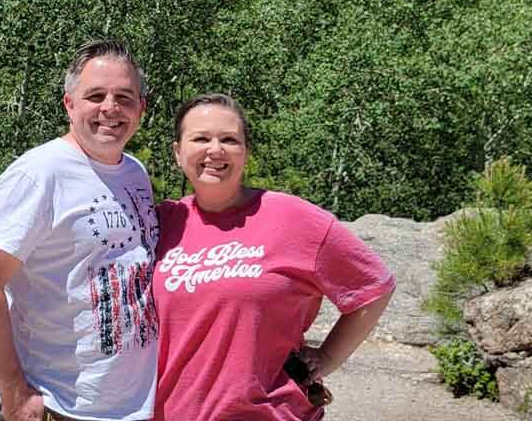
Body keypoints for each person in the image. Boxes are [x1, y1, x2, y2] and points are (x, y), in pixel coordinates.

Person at [153, 94, 395, 421]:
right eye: (200, 138)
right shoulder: (160, 222)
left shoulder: (294, 218)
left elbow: (374, 286)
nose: (215, 149)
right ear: (178, 152)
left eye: (229, 139)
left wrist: (327, 357)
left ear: (246, 152)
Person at [0, 40, 159, 421]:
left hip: (133, 406)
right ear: (69, 104)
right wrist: (14, 392)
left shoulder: (135, 172)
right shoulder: (39, 174)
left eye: (124, 97)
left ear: (141, 108)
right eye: (95, 95)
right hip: (61, 403)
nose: (110, 109)